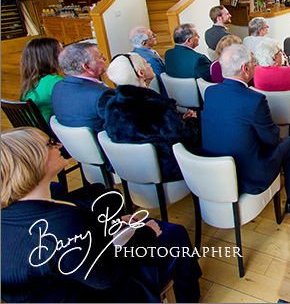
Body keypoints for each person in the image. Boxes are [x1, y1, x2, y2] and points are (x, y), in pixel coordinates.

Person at [0, 127, 202, 303]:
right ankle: (189, 297)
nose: (59, 144)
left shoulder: (17, 212)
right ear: (33, 162)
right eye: (50, 143)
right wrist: (146, 234)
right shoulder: (62, 223)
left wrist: (110, 225)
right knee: (174, 235)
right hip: (95, 293)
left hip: (64, 284)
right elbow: (104, 276)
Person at [200, 44, 290, 213]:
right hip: (249, 176)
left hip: (213, 172)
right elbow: (272, 140)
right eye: (253, 62)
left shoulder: (210, 92)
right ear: (245, 68)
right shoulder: (255, 100)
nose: (255, 65)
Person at [104, 53, 200, 182]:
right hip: (165, 170)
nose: (149, 64)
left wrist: (178, 120)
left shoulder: (111, 105)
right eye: (145, 63)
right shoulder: (158, 106)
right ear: (140, 73)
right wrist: (191, 120)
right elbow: (185, 136)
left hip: (129, 170)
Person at [51, 42, 115, 131]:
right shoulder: (101, 94)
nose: (104, 59)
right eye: (100, 57)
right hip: (102, 142)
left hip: (72, 143)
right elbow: (125, 126)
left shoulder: (57, 87)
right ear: (87, 67)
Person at [19, 37, 63, 123]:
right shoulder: (53, 81)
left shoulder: (31, 83)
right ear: (50, 57)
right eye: (60, 51)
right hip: (51, 131)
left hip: (34, 131)